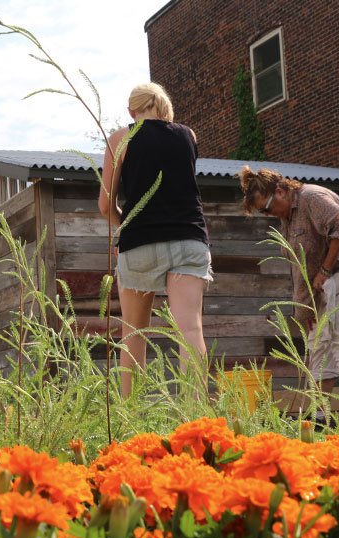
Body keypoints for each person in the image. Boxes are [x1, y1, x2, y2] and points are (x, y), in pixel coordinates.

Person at [98, 82, 212, 397]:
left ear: (132, 111)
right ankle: (197, 414)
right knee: (190, 329)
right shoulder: (188, 135)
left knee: (134, 331)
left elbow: (105, 205)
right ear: (163, 107)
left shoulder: (121, 139)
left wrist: (128, 224)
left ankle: (130, 415)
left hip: (140, 242)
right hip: (189, 238)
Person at [238, 167, 339, 416]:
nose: (268, 214)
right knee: (318, 342)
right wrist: (305, 307)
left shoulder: (312, 198)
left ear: (280, 191)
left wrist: (325, 269)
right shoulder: (287, 217)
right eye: (263, 212)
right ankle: (320, 415)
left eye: (266, 208)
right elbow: (300, 268)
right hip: (322, 285)